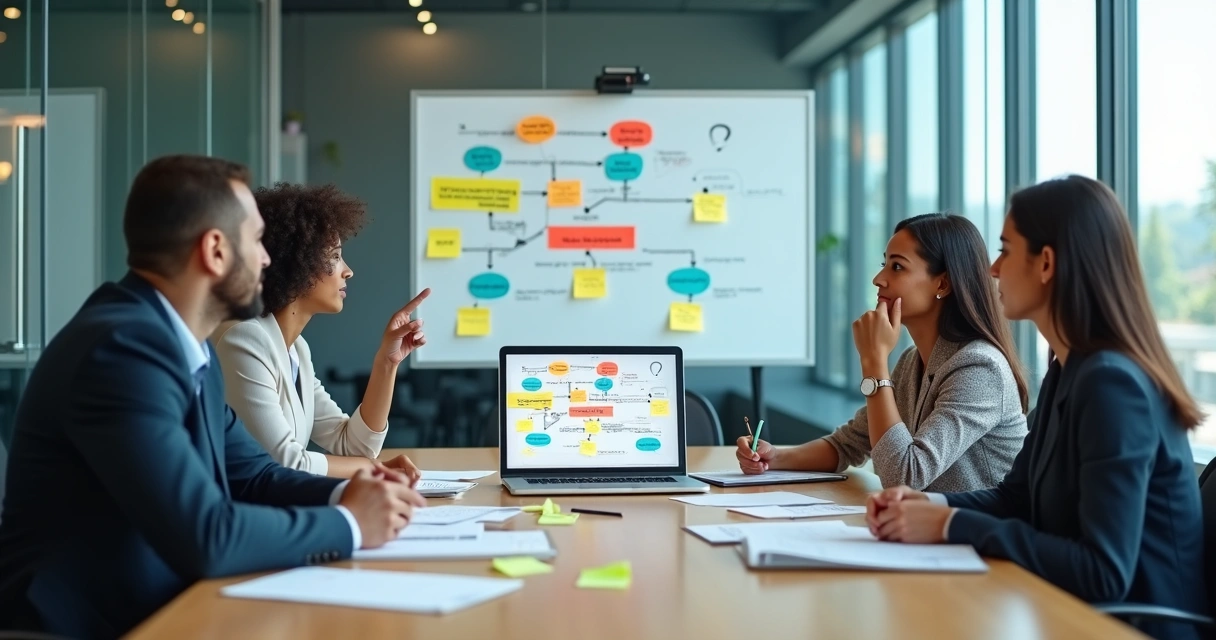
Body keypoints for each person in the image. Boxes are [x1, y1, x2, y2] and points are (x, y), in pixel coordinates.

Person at [0, 156, 425, 639]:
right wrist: (349, 525)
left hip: (160, 609)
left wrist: (347, 494)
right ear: (215, 250)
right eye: (255, 242)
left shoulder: (181, 343)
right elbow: (206, 535)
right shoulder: (121, 352)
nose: (267, 260)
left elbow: (253, 476)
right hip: (92, 627)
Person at [866, 176, 1210, 640]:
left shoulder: (1114, 386)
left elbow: (1102, 572)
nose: (991, 269)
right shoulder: (1071, 370)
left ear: (1045, 263)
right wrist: (927, 503)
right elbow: (1017, 497)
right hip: (1067, 614)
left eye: (1006, 250)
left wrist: (949, 523)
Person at [738, 213, 1029, 491]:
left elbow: (905, 476)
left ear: (942, 283)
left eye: (897, 267)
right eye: (884, 264)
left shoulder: (979, 367)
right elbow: (848, 444)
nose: (878, 279)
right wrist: (775, 458)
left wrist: (874, 361)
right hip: (925, 530)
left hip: (980, 537)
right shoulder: (910, 361)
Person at [211, 183, 429, 480]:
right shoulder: (245, 341)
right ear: (295, 264)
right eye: (334, 256)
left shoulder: (296, 348)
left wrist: (387, 363)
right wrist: (371, 469)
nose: (347, 270)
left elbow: (354, 447)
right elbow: (285, 464)